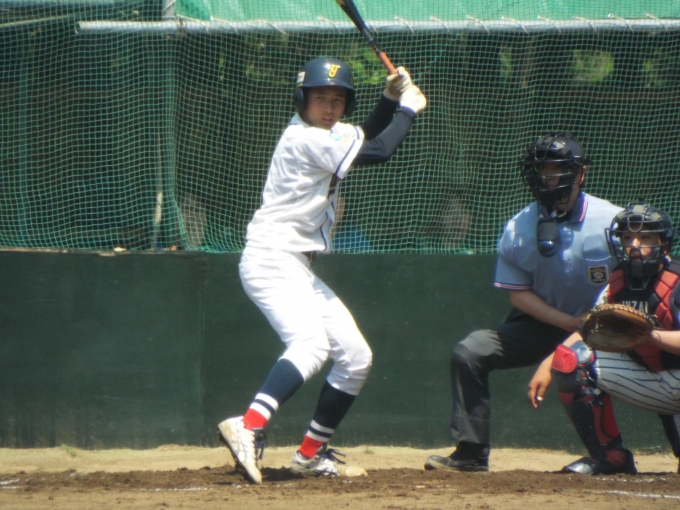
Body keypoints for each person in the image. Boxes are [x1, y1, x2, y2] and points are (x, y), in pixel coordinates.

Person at [217, 57, 427, 485]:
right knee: (310, 345)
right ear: (302, 100)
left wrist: (388, 100)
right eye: (320, 98)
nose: (329, 107)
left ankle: (309, 455)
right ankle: (248, 424)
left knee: (355, 357)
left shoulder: (324, 135)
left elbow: (363, 136)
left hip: (295, 264)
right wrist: (408, 109)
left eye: (337, 99)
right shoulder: (304, 138)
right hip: (272, 257)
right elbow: (379, 151)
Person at [424, 132, 622, 472]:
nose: (549, 178)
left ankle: (608, 458)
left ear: (581, 173)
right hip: (548, 323)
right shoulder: (518, 227)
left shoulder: (612, 222)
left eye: (557, 169)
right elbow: (519, 295)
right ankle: (471, 454)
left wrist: (580, 332)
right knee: (471, 351)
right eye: (542, 170)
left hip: (606, 328)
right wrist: (567, 324)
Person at [528, 201, 680, 475]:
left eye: (645, 237)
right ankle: (610, 457)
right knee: (570, 360)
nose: (634, 245)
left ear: (664, 244)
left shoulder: (676, 281)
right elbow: (588, 329)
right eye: (628, 237)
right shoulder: (618, 281)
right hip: (650, 378)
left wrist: (650, 337)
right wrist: (548, 364)